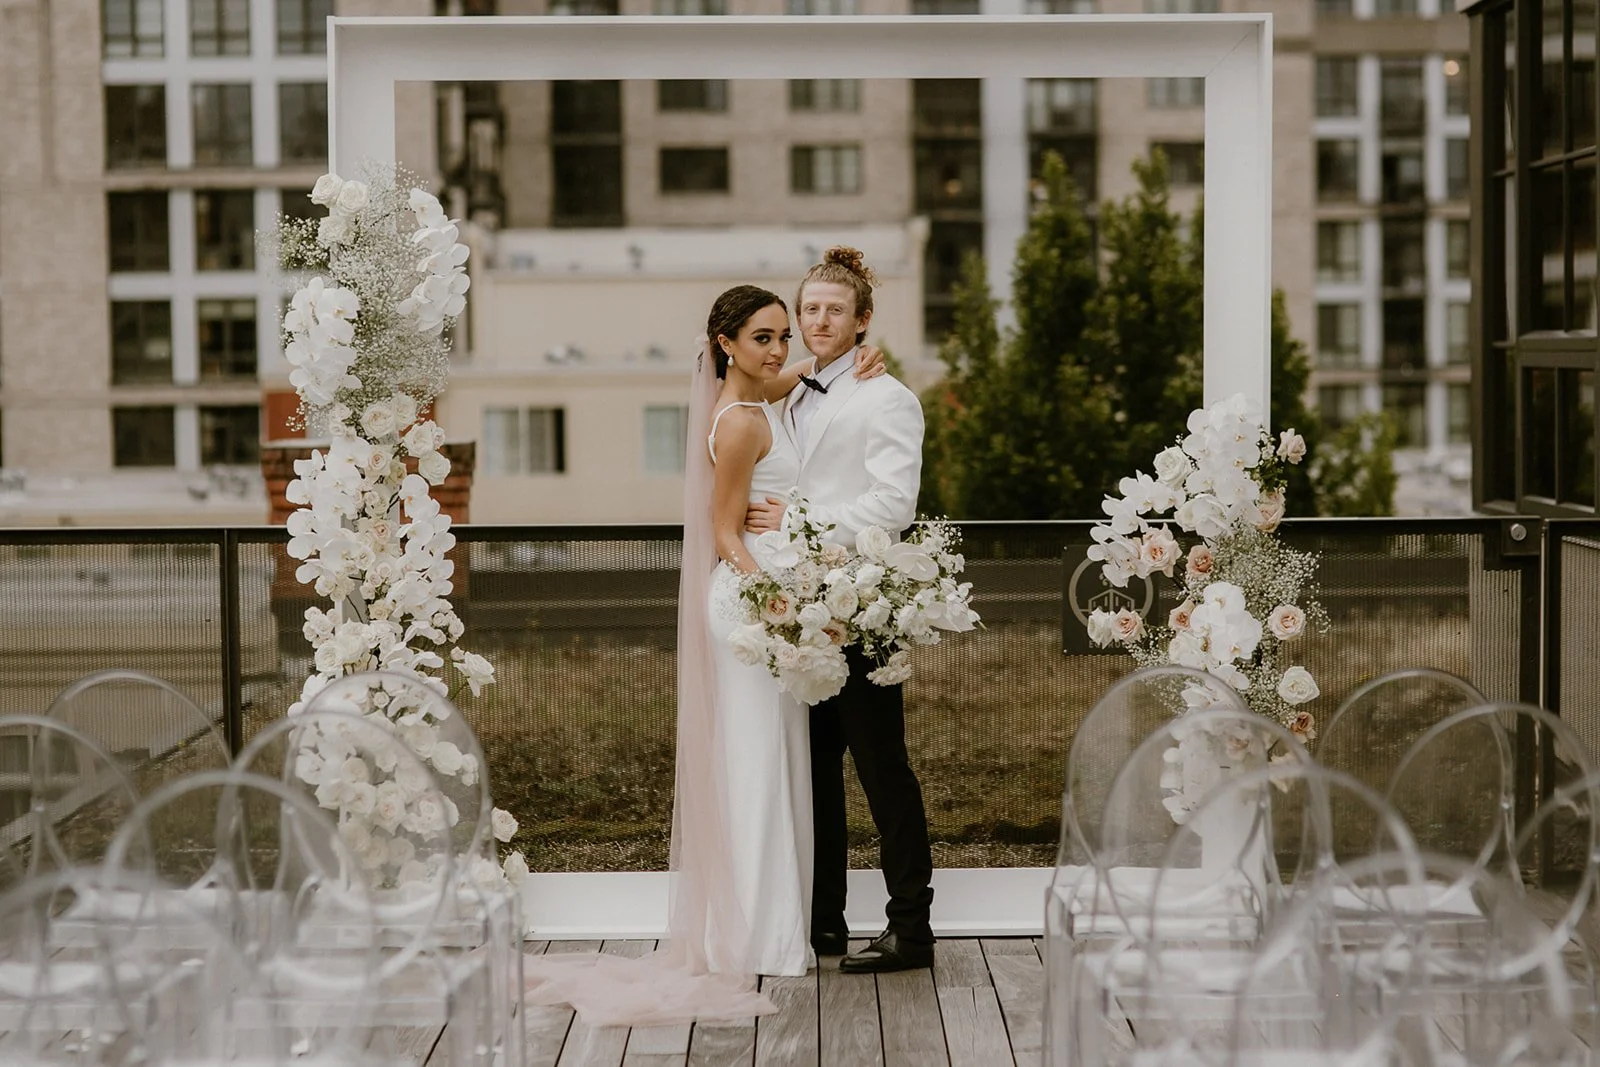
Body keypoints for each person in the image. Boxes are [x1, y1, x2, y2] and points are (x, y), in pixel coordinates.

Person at [521, 285, 884, 1024]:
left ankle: (765, 927)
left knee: (771, 761)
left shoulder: (752, 394)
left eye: (783, 335)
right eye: (762, 337)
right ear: (725, 343)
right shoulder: (742, 421)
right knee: (757, 766)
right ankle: (751, 936)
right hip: (751, 606)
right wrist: (775, 601)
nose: (779, 349)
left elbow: (799, 376)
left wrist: (855, 360)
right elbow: (723, 531)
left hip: (762, 603)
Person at [745, 246, 936, 974]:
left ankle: (911, 929)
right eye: (810, 309)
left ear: (863, 320)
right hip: (803, 614)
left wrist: (794, 523)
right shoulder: (795, 392)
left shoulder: (887, 397)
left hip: (863, 609)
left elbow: (893, 505)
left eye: (835, 309)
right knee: (816, 769)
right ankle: (824, 920)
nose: (820, 320)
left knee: (882, 769)